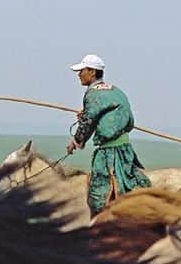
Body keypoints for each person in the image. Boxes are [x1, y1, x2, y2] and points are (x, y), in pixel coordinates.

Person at [65, 54, 151, 216]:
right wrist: (88, 118)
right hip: (125, 149)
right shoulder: (116, 91)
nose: (79, 74)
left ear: (92, 72)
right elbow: (128, 121)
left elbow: (88, 123)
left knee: (98, 194)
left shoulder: (92, 94)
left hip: (109, 152)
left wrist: (76, 142)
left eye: (81, 70)